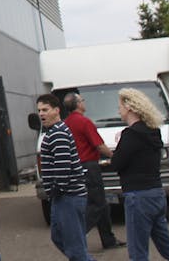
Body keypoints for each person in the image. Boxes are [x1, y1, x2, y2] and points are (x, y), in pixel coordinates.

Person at [113, 88, 169, 261]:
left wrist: (120, 142)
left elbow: (117, 163)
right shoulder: (153, 132)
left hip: (137, 196)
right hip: (156, 193)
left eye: (120, 106)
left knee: (138, 253)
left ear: (129, 107)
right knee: (168, 249)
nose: (119, 110)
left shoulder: (130, 135)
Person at [37, 93, 94, 261]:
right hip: (63, 197)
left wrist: (55, 190)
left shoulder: (58, 133)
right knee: (60, 238)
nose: (41, 114)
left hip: (68, 196)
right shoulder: (53, 132)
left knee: (75, 249)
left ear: (56, 110)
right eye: (39, 110)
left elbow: (63, 166)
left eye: (45, 110)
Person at [62, 93, 120, 249]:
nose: (84, 102)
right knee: (97, 204)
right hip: (89, 166)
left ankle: (108, 239)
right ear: (78, 104)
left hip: (75, 167)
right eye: (82, 100)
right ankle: (76, 235)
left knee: (100, 203)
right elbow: (98, 145)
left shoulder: (65, 123)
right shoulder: (84, 122)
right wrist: (115, 156)